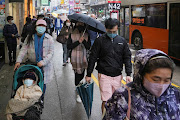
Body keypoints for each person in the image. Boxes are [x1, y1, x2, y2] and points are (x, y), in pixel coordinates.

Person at [103, 49, 180, 120]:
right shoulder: (123, 96)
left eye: (167, 80)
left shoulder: (175, 94)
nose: (161, 85)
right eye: (156, 79)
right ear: (141, 75)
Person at [85, 18, 132, 113]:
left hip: (118, 76)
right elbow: (93, 57)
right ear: (105, 29)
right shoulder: (99, 41)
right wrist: (89, 74)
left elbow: (127, 57)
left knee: (116, 101)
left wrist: (128, 74)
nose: (112, 33)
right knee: (106, 101)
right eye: (110, 31)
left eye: (114, 31)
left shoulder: (122, 41)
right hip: (104, 75)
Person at [14, 19, 54, 94]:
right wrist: (18, 61)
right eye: (39, 26)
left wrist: (43, 62)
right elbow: (23, 50)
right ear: (35, 27)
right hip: (31, 65)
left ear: (46, 28)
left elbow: (51, 53)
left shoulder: (50, 39)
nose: (41, 28)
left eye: (43, 26)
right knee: (30, 83)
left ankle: (41, 100)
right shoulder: (29, 38)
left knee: (42, 84)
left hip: (44, 66)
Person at [67, 22, 91, 103]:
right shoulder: (72, 34)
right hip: (74, 58)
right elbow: (68, 46)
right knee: (77, 74)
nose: (80, 25)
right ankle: (78, 91)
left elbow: (88, 46)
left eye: (82, 24)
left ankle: (79, 88)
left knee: (81, 74)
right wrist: (78, 42)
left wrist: (83, 41)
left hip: (83, 58)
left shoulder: (87, 34)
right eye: (78, 24)